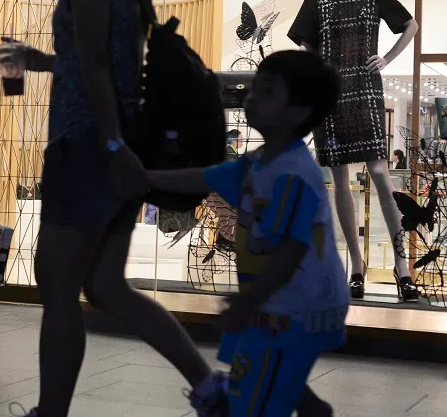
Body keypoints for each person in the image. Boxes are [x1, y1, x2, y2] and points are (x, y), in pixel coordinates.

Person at [0, 0, 227, 417]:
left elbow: (98, 67)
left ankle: (51, 412)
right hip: (111, 146)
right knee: (104, 285)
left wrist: (110, 146)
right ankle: (210, 387)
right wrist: (45, 62)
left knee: (55, 284)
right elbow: (97, 60)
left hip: (88, 148)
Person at [144, 50, 348, 417]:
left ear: (298, 113)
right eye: (256, 88)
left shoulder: (293, 174)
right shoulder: (257, 162)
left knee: (255, 392)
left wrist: (247, 302)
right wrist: (144, 179)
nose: (252, 97)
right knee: (274, 373)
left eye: (267, 91)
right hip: (277, 301)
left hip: (298, 308)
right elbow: (205, 176)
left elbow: (291, 249)